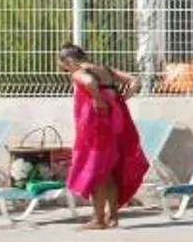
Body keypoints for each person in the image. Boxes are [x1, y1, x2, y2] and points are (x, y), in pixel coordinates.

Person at [59, 45, 148, 230]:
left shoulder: (78, 72)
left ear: (69, 61)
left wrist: (98, 99)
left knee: (96, 170)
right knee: (109, 170)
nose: (65, 69)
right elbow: (135, 81)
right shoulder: (105, 70)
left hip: (96, 126)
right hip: (117, 123)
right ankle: (113, 217)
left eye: (64, 65)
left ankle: (99, 219)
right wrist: (125, 96)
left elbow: (90, 82)